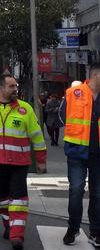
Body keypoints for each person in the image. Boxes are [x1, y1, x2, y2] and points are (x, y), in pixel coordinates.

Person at [0, 74, 46, 250]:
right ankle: (8, 225)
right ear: (1, 89)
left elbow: (37, 136)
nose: (15, 89)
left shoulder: (25, 109)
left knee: (18, 200)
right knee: (4, 199)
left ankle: (17, 235)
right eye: (11, 86)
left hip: (20, 164)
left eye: (16, 86)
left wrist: (41, 160)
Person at [59, 64, 100, 246]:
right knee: (76, 190)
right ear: (96, 75)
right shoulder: (74, 93)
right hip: (77, 150)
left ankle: (96, 231)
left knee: (98, 193)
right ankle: (73, 228)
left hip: (98, 153)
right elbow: (62, 116)